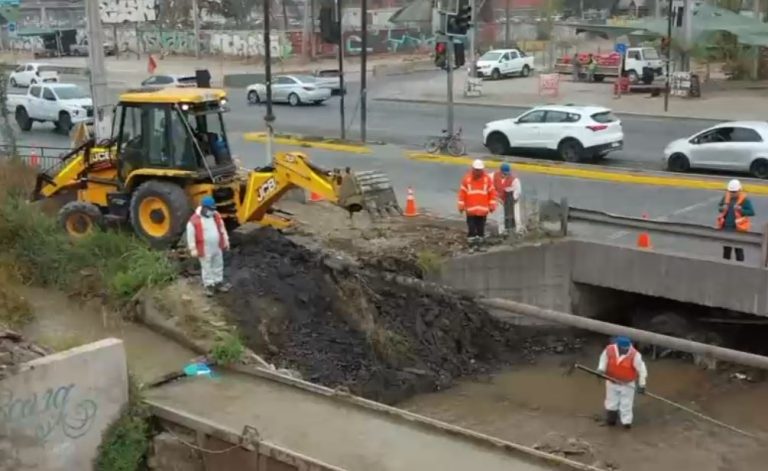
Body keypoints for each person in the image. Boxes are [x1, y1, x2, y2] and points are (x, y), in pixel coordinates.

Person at [597, 336, 648, 429]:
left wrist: (642, 385)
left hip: (627, 384)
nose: (626, 350)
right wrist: (600, 369)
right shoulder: (609, 350)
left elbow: (642, 370)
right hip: (611, 381)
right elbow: (603, 360)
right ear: (618, 346)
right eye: (624, 349)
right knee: (611, 402)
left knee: (626, 404)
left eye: (627, 348)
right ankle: (611, 421)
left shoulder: (635, 355)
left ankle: (626, 424)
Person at [186, 196, 231, 296]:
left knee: (218, 264)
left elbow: (222, 229)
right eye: (210, 209)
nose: (212, 211)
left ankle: (218, 282)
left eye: (213, 209)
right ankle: (209, 286)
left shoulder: (216, 216)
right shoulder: (194, 221)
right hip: (204, 249)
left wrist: (226, 241)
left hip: (217, 246)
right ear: (203, 208)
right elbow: (190, 236)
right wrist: (193, 249)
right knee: (207, 267)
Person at [457, 159, 497, 251]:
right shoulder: (466, 179)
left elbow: (492, 193)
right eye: (476, 170)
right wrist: (461, 205)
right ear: (473, 169)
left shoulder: (487, 179)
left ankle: (480, 245)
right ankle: (472, 245)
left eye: (479, 170)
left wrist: (492, 205)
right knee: (471, 228)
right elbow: (462, 193)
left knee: (480, 228)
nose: (478, 172)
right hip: (470, 210)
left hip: (482, 211)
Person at [716, 179, 754, 262]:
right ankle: (726, 265)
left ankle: (740, 268)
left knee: (738, 250)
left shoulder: (744, 200)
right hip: (727, 228)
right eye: (730, 191)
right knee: (726, 250)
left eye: (734, 191)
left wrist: (741, 210)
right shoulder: (726, 198)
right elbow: (719, 208)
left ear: (739, 190)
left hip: (739, 229)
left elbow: (751, 212)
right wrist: (722, 208)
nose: (732, 193)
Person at [491, 163, 523, 235]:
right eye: (504, 174)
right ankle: (502, 231)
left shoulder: (514, 180)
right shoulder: (494, 176)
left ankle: (518, 231)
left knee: (516, 217)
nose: (505, 175)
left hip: (513, 202)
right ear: (500, 172)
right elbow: (490, 186)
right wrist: (497, 197)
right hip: (501, 200)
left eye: (507, 174)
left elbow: (518, 192)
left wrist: (511, 201)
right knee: (501, 216)